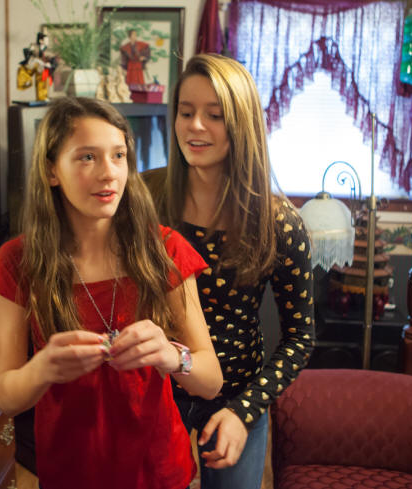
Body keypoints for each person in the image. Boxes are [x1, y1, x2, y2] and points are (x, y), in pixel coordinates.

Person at [0, 97, 222, 489]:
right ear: (52, 170)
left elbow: (211, 380)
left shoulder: (166, 250)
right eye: (87, 157)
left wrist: (170, 355)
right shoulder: (17, 262)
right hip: (70, 473)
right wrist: (42, 368)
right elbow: (7, 397)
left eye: (118, 156)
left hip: (158, 471)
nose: (109, 173)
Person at [143, 53, 316, 489]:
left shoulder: (280, 224)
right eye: (186, 112)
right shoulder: (146, 197)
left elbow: (300, 338)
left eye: (215, 115)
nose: (195, 126)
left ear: (242, 124)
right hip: (154, 392)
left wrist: (245, 411)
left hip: (237, 396)